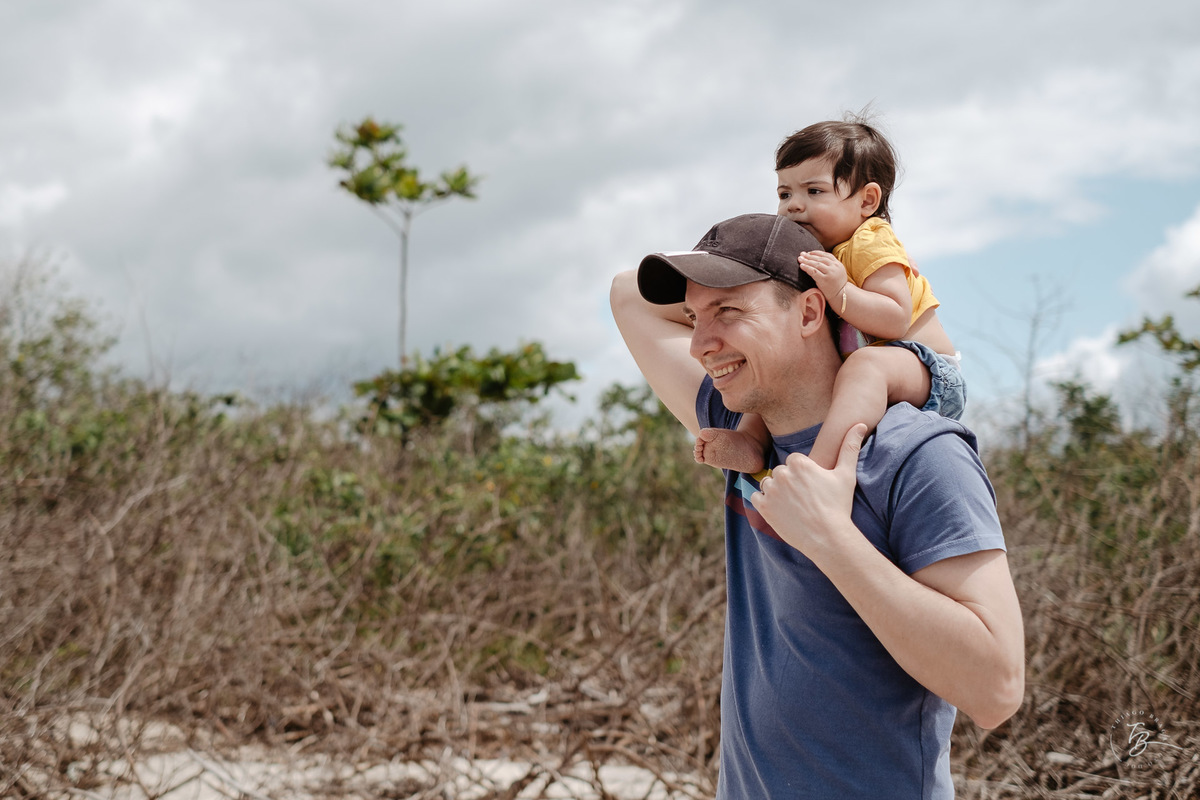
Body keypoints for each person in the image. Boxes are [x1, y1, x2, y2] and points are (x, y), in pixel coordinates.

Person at [609, 213, 1023, 799]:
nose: (701, 343)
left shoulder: (918, 453)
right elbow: (629, 293)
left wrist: (831, 537)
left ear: (809, 312)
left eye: (729, 312)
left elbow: (997, 689)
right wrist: (812, 236)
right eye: (696, 317)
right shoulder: (741, 431)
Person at [694, 118, 963, 473]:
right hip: (870, 376)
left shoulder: (871, 240)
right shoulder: (818, 253)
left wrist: (841, 291)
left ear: (867, 200)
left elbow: (896, 318)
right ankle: (751, 440)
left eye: (814, 192)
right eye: (784, 193)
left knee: (865, 367)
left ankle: (819, 470)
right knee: (774, 371)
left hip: (929, 372)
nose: (792, 205)